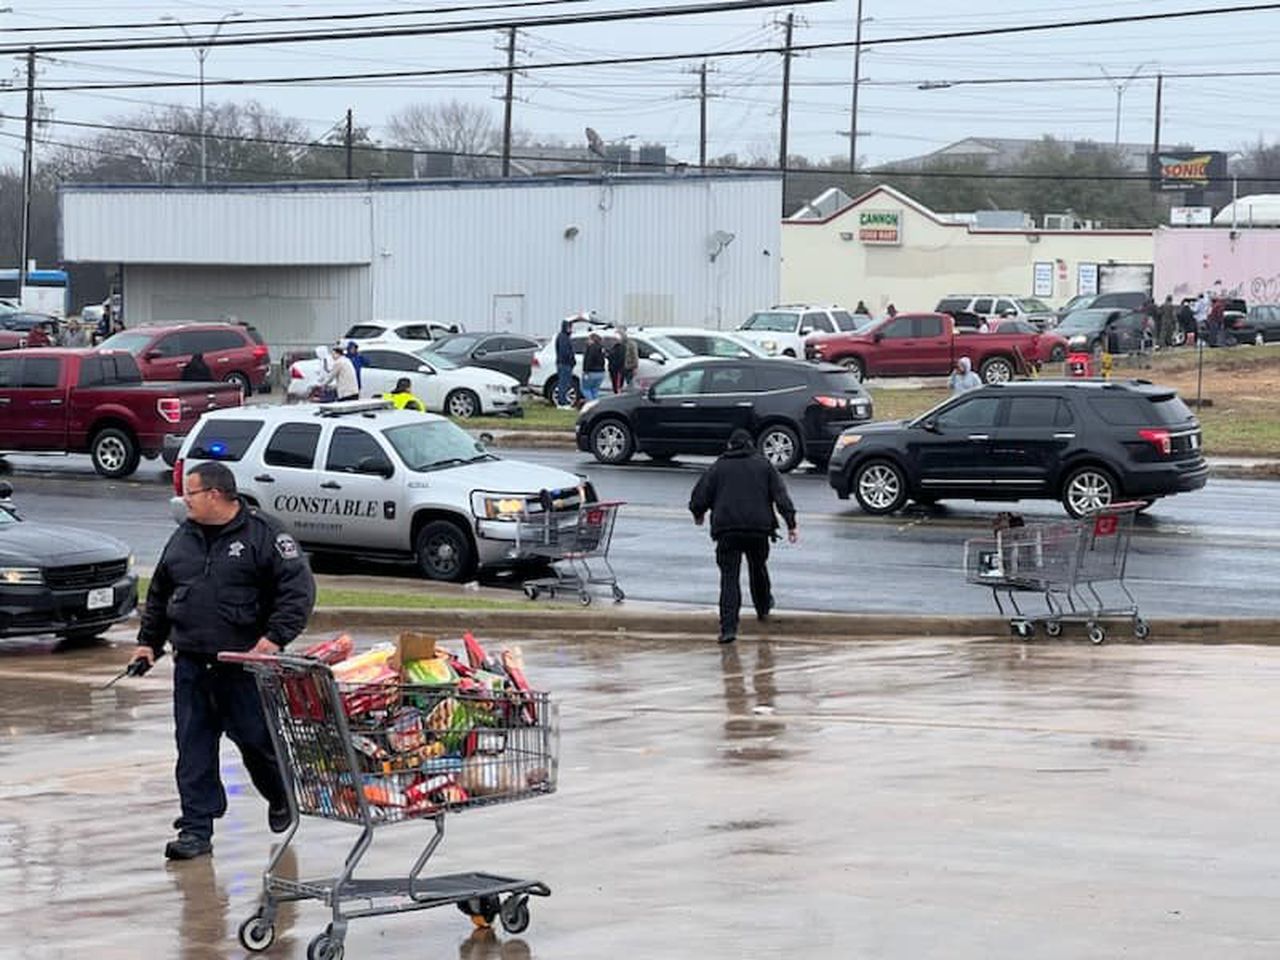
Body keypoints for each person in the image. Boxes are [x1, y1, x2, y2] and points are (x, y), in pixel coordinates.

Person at [129, 461, 316, 860]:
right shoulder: (184, 537)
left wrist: (273, 640)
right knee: (192, 748)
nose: (185, 501)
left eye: (190, 493)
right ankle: (196, 830)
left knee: (255, 741)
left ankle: (280, 793)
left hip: (244, 667)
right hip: (192, 665)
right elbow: (162, 592)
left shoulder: (264, 535)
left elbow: (297, 591)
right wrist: (149, 643)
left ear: (214, 494)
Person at [688, 429, 798, 645]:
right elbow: (781, 496)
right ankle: (763, 606)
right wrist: (791, 524)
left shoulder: (718, 467)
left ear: (730, 445)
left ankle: (728, 629)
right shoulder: (764, 465)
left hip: (727, 531)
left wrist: (698, 514)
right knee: (758, 568)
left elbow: (699, 496)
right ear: (751, 445)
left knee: (729, 578)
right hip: (759, 530)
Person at [554, 319, 575, 408]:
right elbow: (564, 352)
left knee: (566, 384)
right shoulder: (563, 337)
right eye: (569, 327)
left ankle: (563, 401)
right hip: (564, 363)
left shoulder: (565, 337)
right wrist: (571, 360)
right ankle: (562, 403)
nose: (570, 329)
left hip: (565, 363)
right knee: (563, 383)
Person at [581, 331, 606, 401]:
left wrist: (585, 370)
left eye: (589, 339)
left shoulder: (591, 348)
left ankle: (591, 403)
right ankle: (596, 404)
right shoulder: (601, 348)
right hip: (601, 372)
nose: (587, 341)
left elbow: (589, 359)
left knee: (585, 389)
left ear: (592, 340)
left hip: (591, 372)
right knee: (595, 390)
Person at [607, 328, 627, 394]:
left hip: (617, 369)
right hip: (613, 369)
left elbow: (620, 359)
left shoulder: (621, 348)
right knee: (615, 384)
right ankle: (616, 393)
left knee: (617, 385)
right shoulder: (614, 348)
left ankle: (618, 394)